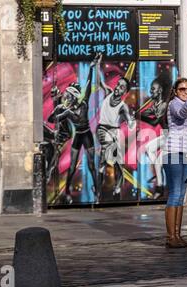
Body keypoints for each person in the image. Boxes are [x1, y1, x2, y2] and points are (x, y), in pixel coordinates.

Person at [162, 78, 187, 248]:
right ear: (176, 91)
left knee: (180, 196)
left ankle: (178, 236)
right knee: (175, 193)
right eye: (182, 89)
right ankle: (171, 237)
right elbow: (180, 114)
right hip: (173, 153)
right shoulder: (174, 104)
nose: (186, 91)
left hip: (185, 154)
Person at [55, 59, 99, 204]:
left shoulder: (84, 102)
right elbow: (54, 118)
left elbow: (88, 83)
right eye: (66, 96)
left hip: (86, 134)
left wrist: (92, 68)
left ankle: (97, 190)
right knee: (72, 165)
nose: (67, 98)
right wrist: (56, 102)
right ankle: (67, 191)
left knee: (92, 164)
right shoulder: (67, 111)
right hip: (78, 136)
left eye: (69, 96)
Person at [96, 55, 136, 198]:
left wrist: (132, 121)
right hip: (103, 129)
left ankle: (117, 190)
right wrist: (97, 64)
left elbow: (130, 121)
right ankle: (98, 188)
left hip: (115, 132)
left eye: (122, 87)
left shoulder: (123, 106)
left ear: (125, 92)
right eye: (118, 85)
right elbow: (99, 81)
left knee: (119, 163)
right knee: (105, 150)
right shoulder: (108, 92)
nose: (118, 88)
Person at [140, 74, 172, 199]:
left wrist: (140, 116)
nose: (150, 91)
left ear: (160, 91)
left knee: (158, 162)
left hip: (171, 137)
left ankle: (160, 186)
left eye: (153, 89)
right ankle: (159, 171)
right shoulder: (156, 105)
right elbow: (145, 113)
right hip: (165, 136)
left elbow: (154, 122)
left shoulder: (164, 105)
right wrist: (139, 114)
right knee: (149, 148)